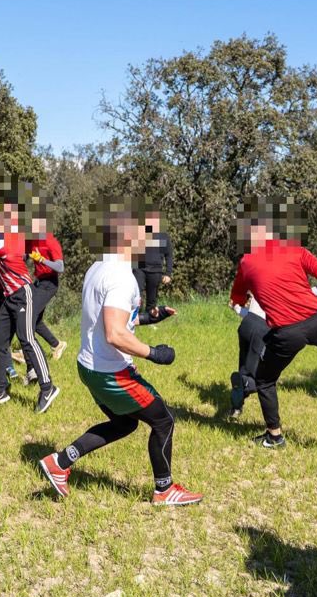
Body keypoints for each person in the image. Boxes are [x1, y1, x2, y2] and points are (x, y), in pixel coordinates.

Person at [38, 199, 202, 505]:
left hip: (88, 366)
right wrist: (153, 353)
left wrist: (146, 318)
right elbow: (114, 333)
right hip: (110, 371)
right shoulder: (121, 278)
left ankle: (59, 463)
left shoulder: (99, 266)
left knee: (124, 422)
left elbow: (108, 320)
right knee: (164, 420)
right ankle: (164, 490)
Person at [229, 214, 317, 448]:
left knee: (265, 381)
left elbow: (236, 296)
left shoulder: (246, 263)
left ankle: (274, 436)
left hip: (286, 333)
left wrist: (240, 300)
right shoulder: (295, 250)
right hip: (316, 320)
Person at [0, 205, 61, 413]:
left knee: (26, 337)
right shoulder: (10, 238)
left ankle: (47, 387)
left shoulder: (2, 243)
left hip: (22, 294)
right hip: (9, 297)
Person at [13, 217, 67, 367]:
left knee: (28, 316)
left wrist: (42, 260)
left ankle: (26, 353)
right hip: (38, 282)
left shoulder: (51, 241)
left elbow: (60, 267)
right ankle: (57, 345)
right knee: (34, 319)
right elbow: (24, 256)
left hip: (50, 283)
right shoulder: (31, 241)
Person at [227, 293, 268, 419]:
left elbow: (250, 313)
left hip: (246, 325)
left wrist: (236, 307)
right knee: (261, 375)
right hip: (263, 330)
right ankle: (244, 384)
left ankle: (236, 408)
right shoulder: (286, 287)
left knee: (244, 367)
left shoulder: (261, 281)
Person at [133, 214, 173, 316]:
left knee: (152, 299)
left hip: (155, 270)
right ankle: (133, 317)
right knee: (136, 293)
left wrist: (168, 273)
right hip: (139, 268)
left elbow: (169, 255)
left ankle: (149, 319)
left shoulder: (163, 236)